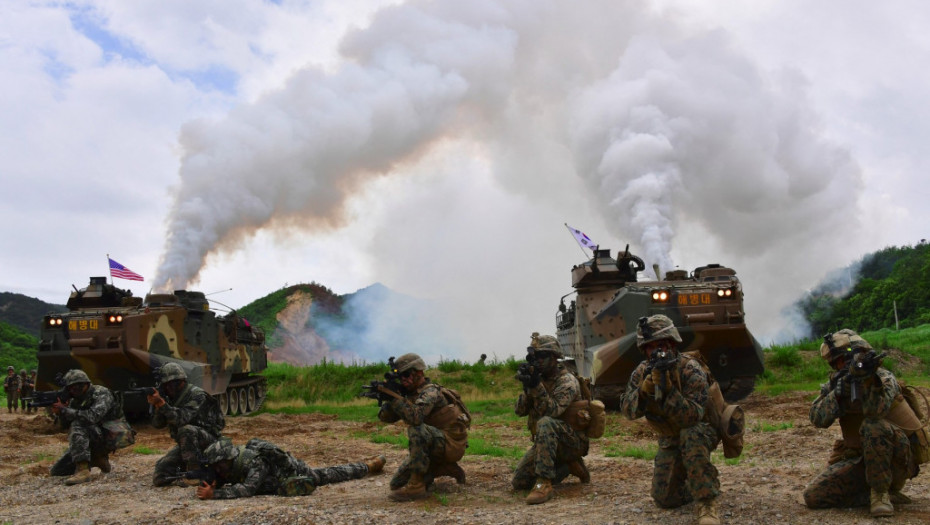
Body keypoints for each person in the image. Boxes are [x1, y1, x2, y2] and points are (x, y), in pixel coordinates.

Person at [803, 329, 919, 517]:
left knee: (872, 425)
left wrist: (869, 384)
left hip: (895, 461)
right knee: (814, 496)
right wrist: (838, 395)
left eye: (844, 360)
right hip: (861, 459)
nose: (841, 365)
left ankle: (881, 494)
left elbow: (877, 411)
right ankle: (874, 494)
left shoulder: (884, 378)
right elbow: (816, 417)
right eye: (837, 362)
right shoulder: (838, 384)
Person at [619, 315, 722, 525]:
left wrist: (668, 391)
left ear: (673, 344)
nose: (656, 351)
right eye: (650, 347)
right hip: (670, 437)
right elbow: (628, 412)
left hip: (701, 431)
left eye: (662, 345)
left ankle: (707, 502)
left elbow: (693, 417)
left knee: (691, 434)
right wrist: (644, 392)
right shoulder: (641, 372)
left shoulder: (690, 369)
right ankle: (694, 483)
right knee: (664, 499)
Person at [378, 353, 471, 501]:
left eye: (407, 374)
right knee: (396, 484)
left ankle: (416, 488)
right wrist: (391, 397)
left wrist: (396, 399)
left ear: (419, 372)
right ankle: (441, 468)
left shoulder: (430, 391)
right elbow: (385, 418)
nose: (403, 379)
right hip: (435, 443)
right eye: (400, 376)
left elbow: (416, 418)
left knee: (416, 428)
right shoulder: (409, 394)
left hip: (450, 444)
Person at [512, 333, 590, 505]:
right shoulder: (539, 379)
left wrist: (536, 387)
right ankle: (569, 466)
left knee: (546, 422)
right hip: (547, 443)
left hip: (572, 442)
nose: (537, 361)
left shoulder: (567, 381)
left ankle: (544, 483)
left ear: (554, 357)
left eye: (542, 356)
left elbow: (552, 411)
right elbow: (519, 410)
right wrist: (528, 387)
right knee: (520, 482)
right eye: (534, 357)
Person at [193, 437, 386, 499]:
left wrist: (215, 495)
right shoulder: (232, 466)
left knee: (331, 474)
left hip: (296, 473)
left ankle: (367, 467)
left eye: (218, 465)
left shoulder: (254, 462)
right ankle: (368, 466)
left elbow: (249, 489)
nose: (217, 470)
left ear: (227, 459)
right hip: (277, 477)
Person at [49, 369, 135, 485]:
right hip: (96, 432)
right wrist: (60, 413)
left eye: (76, 387)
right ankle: (97, 459)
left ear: (86, 384)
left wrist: (66, 410)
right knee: (58, 471)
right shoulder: (75, 399)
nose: (73, 390)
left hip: (116, 432)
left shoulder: (102, 393)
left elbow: (92, 417)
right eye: (71, 388)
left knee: (78, 424)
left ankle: (83, 471)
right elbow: (64, 426)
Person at [149, 362, 226, 486]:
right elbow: (157, 424)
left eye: (168, 385)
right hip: (188, 446)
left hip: (210, 442)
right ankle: (188, 470)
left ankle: (195, 473)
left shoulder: (197, 395)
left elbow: (181, 419)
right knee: (160, 476)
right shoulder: (171, 398)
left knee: (186, 429)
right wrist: (158, 405)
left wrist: (163, 405)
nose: (167, 389)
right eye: (165, 386)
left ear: (179, 382)